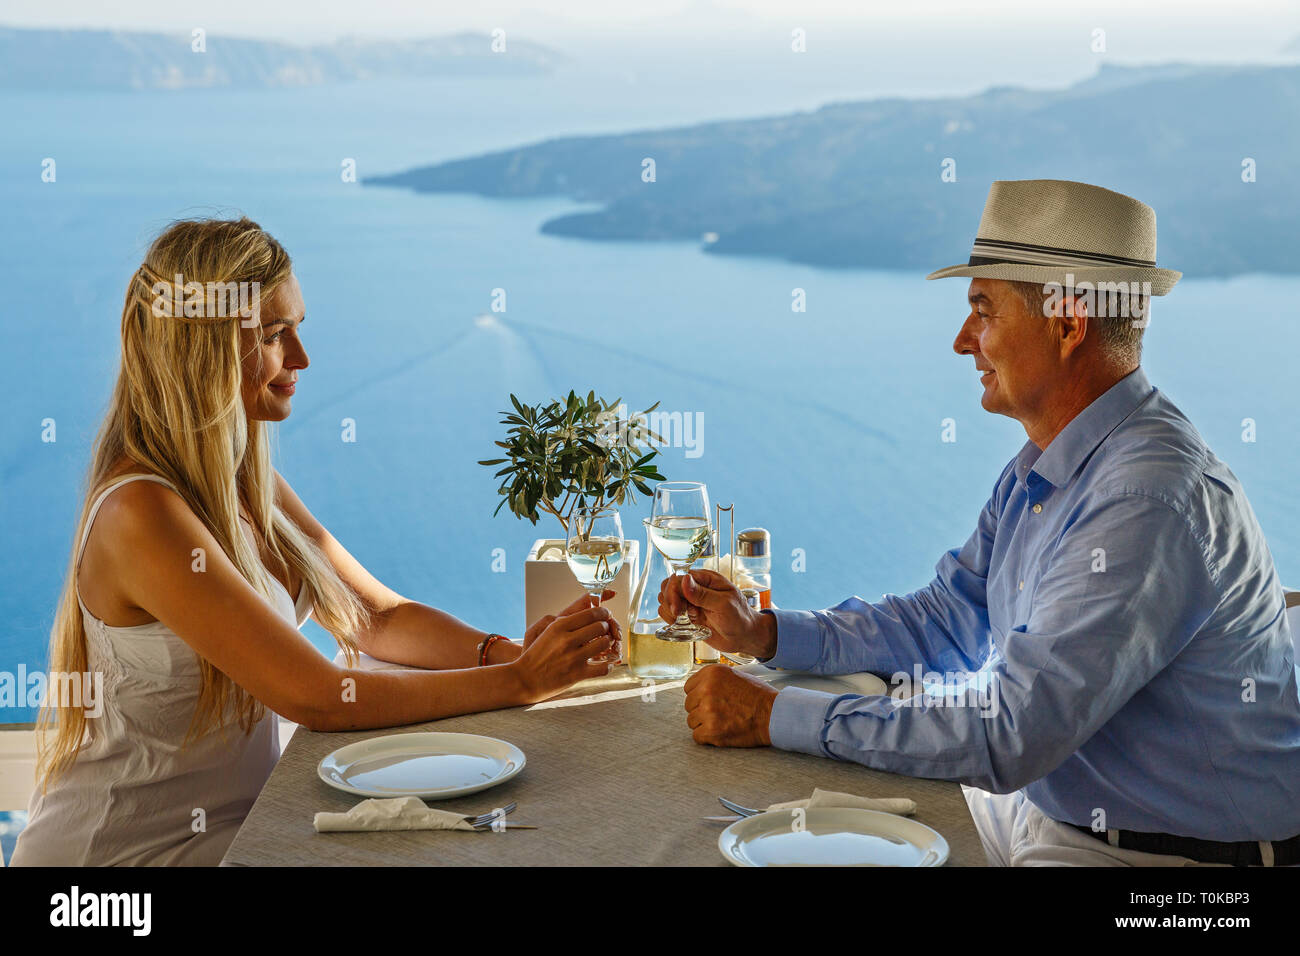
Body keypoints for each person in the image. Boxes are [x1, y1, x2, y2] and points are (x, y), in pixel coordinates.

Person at [661, 180, 1300, 866]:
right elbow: (944, 621)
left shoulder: (1145, 499)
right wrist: (765, 633)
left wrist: (771, 718)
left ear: (1067, 324)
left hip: (1168, 859)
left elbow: (1009, 735)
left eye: (982, 310)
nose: (963, 340)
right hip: (1054, 803)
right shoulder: (1049, 464)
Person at [11, 217, 620, 866]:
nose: (301, 359)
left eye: (297, 328)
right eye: (275, 335)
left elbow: (376, 618)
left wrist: (505, 651)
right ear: (203, 348)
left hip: (236, 836)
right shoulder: (143, 512)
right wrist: (518, 682)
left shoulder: (245, 479)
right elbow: (318, 696)